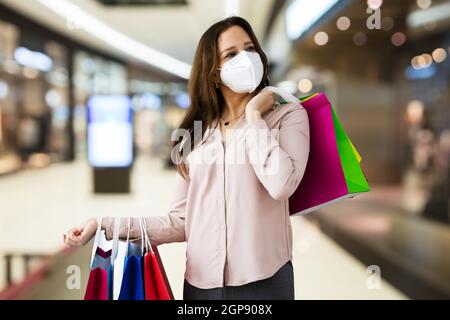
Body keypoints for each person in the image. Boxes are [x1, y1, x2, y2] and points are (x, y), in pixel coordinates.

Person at [64, 16, 310, 300]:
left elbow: (281, 185)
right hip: (200, 285)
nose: (246, 58)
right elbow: (181, 220)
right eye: (231, 54)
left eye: (250, 49)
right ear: (215, 73)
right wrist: (105, 224)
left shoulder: (287, 116)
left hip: (264, 283)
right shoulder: (196, 133)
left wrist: (255, 115)